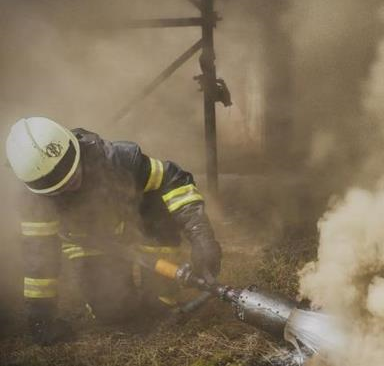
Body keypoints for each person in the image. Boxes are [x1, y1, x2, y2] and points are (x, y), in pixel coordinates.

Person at [5, 117, 222, 345]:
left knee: (160, 304)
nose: (71, 183)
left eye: (72, 171)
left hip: (141, 225)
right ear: (38, 188)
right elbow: (40, 258)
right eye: (59, 185)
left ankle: (160, 295)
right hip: (91, 241)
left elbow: (173, 180)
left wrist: (201, 236)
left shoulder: (117, 159)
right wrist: (41, 318)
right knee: (112, 312)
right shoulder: (35, 203)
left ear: (74, 147)